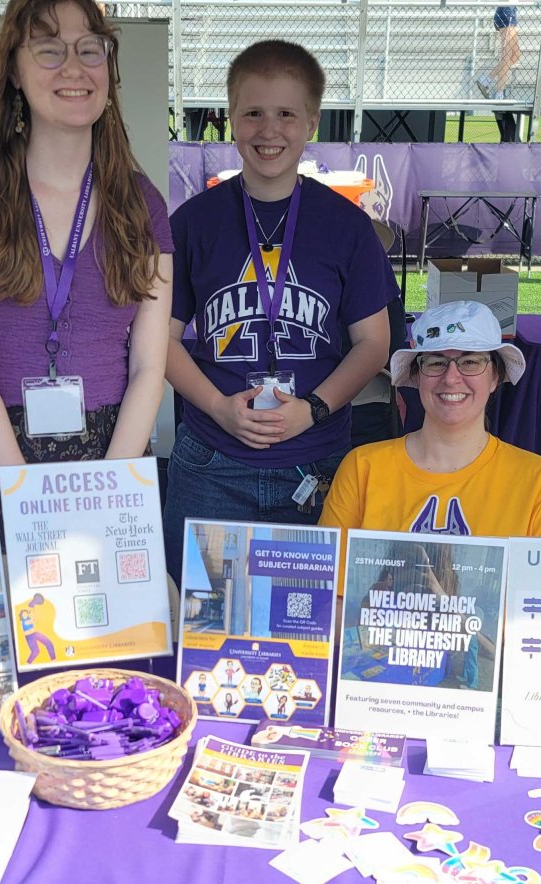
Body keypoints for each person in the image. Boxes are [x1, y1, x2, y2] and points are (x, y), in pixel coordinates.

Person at [0, 0, 172, 521]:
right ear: (13, 70)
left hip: (114, 451)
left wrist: (109, 490)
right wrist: (27, 499)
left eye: (90, 49)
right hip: (2, 459)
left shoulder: (142, 202)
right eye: (49, 49)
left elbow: (150, 367)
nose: (74, 67)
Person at [162, 39, 397, 578]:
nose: (270, 130)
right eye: (253, 113)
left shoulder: (347, 227)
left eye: (286, 114)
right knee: (199, 629)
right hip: (211, 463)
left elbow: (373, 343)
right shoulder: (194, 223)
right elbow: (160, 339)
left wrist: (313, 407)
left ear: (311, 122)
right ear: (230, 119)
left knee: (311, 630)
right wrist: (219, 407)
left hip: (317, 460)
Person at [319, 301, 541, 557]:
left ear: (495, 376)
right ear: (417, 375)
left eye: (470, 362)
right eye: (436, 362)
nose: (451, 378)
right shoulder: (362, 468)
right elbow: (328, 587)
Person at [476, 7, 521, 100]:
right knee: (507, 56)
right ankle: (499, 94)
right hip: (506, 15)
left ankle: (486, 80)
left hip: (510, 15)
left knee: (515, 56)